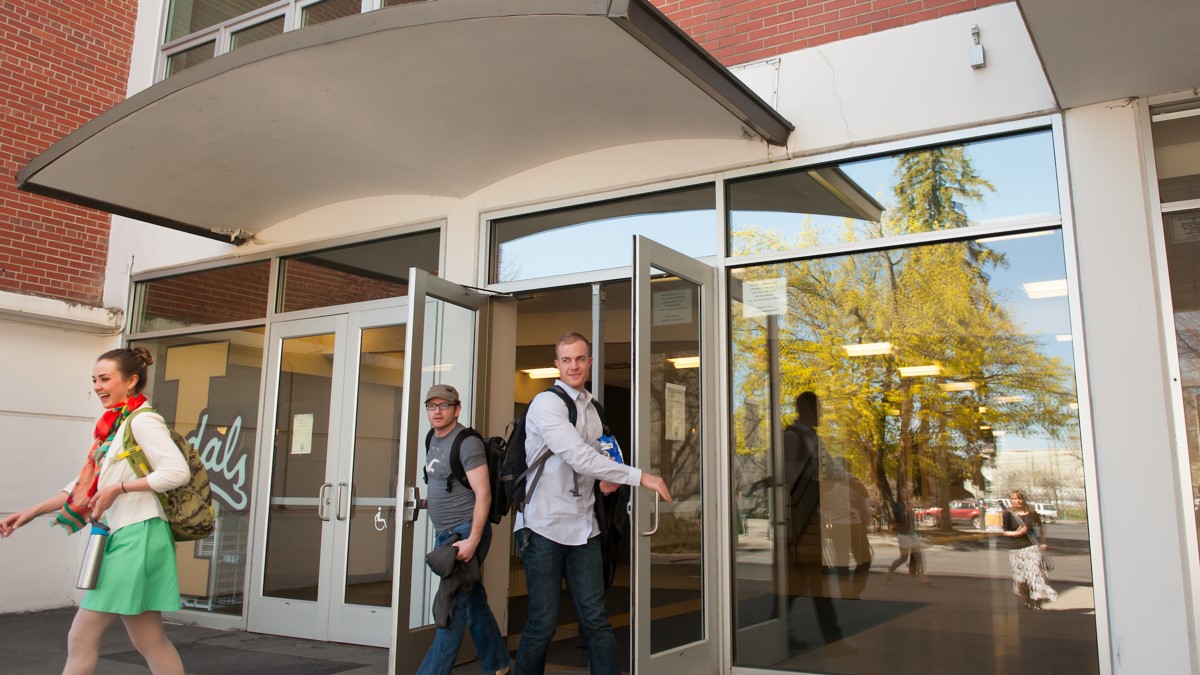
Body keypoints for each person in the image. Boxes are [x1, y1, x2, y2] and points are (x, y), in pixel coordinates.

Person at [1, 347, 189, 675]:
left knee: (82, 636)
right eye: (95, 380)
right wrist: (31, 512)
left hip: (136, 536)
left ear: (131, 381)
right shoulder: (116, 425)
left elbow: (176, 473)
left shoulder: (142, 421)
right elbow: (84, 486)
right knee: (150, 640)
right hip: (129, 535)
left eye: (105, 379)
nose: (98, 386)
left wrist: (120, 488)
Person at [513, 332, 673, 675]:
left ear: (589, 363)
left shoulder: (593, 407)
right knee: (543, 623)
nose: (574, 366)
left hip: (585, 527)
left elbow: (599, 453)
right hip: (542, 527)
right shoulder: (546, 404)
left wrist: (607, 479)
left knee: (597, 621)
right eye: (566, 360)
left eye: (580, 359)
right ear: (556, 365)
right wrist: (641, 477)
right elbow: (575, 454)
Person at [416, 384, 511, 675]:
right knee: (473, 601)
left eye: (444, 406)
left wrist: (472, 540)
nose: (437, 412)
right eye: (432, 406)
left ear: (457, 409)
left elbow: (484, 494)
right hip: (445, 535)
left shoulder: (466, 443)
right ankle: (499, 663)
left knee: (450, 609)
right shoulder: (432, 437)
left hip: (463, 534)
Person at [1002, 489, 1057, 610]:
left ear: (1024, 499)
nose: (1016, 501)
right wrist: (1015, 534)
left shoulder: (1032, 512)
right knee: (1021, 579)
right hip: (1016, 550)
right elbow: (1004, 532)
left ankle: (1037, 600)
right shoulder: (1008, 513)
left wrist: (1043, 542)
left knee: (1036, 575)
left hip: (1032, 547)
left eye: (1019, 498)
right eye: (1014, 498)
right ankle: (1027, 596)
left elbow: (1041, 526)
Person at [885, 497, 931, 584]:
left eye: (906, 492)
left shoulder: (909, 505)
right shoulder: (898, 506)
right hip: (904, 535)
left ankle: (923, 579)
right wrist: (906, 511)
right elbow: (899, 519)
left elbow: (912, 522)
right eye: (903, 492)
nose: (905, 495)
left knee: (919, 556)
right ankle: (889, 572)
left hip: (913, 535)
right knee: (903, 558)